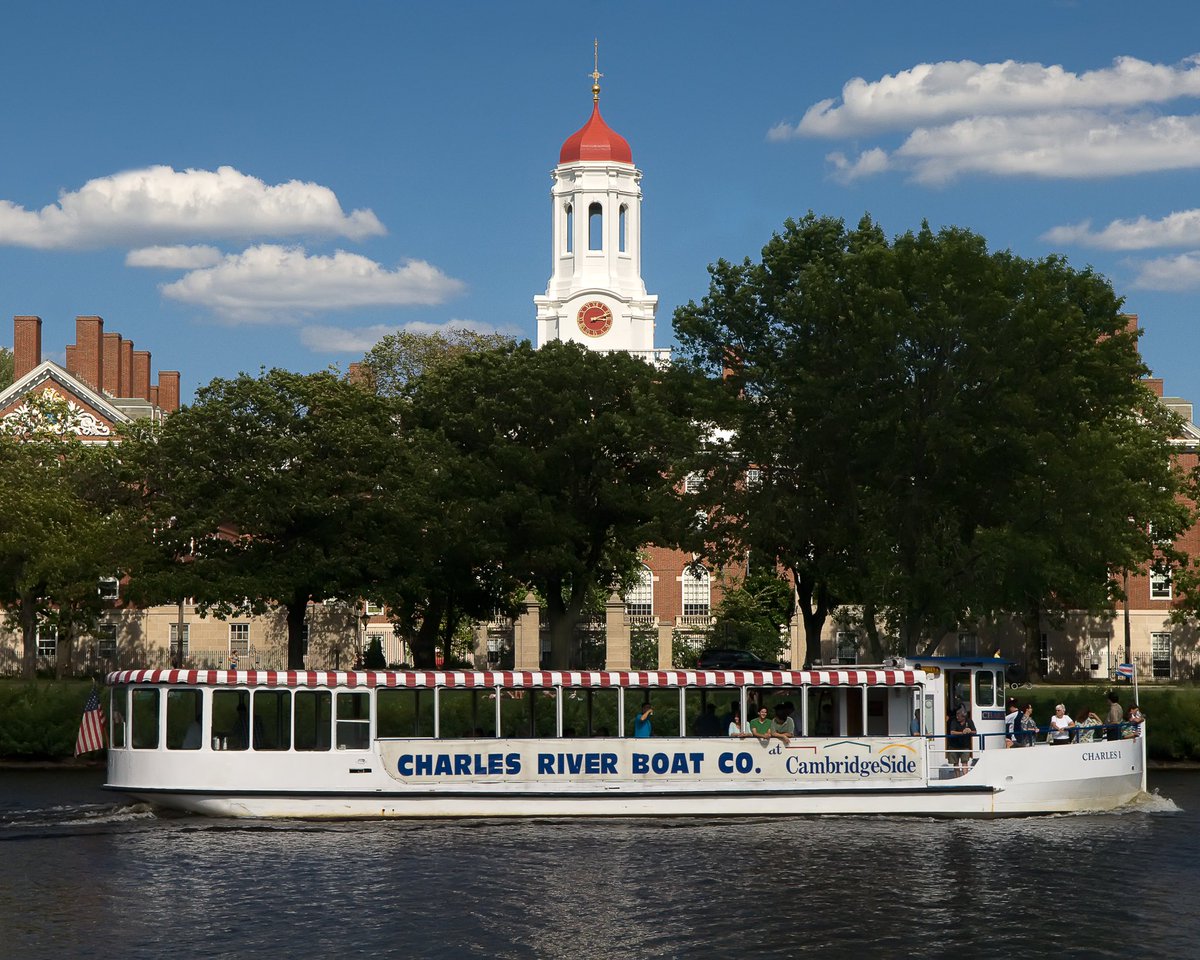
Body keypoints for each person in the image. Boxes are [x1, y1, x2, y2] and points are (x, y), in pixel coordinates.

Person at [947, 706, 975, 774]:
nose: (957, 717)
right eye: (956, 715)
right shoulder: (954, 721)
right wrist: (962, 732)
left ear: (964, 717)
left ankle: (965, 779)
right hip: (954, 746)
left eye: (959, 716)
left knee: (964, 762)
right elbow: (952, 732)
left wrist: (969, 731)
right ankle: (958, 779)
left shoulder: (969, 721)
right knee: (955, 763)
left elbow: (974, 731)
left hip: (965, 746)